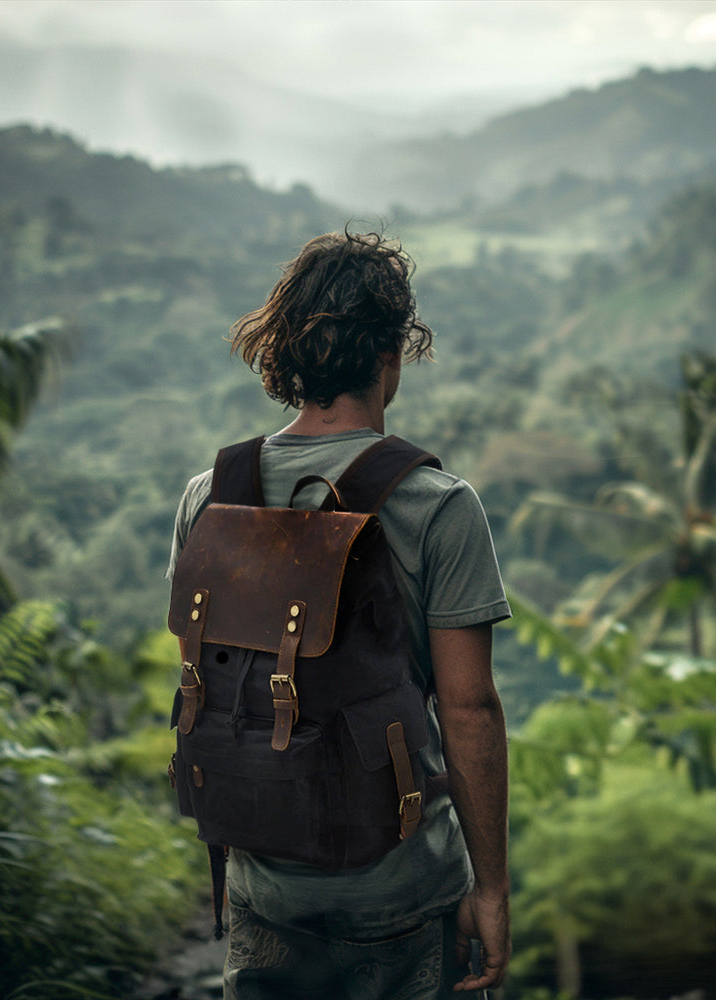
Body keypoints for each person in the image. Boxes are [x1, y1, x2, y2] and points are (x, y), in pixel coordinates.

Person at [167, 229, 511, 999]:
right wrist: (491, 890)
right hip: (400, 893)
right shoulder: (437, 506)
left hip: (260, 888)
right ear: (392, 356)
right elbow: (469, 710)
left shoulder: (209, 496)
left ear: (285, 354)